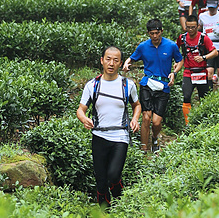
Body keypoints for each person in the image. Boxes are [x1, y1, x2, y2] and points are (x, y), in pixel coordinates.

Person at [77, 45, 140, 208]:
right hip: (99, 136)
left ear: (120, 63)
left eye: (116, 60)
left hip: (120, 137)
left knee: (113, 175)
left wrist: (135, 119)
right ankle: (105, 214)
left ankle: (119, 197)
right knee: (101, 179)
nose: (111, 63)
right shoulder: (92, 85)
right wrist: (84, 119)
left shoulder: (128, 85)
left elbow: (137, 105)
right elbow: (81, 110)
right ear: (102, 61)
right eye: (108, 59)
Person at [123, 18, 183, 154]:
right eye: (152, 34)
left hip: (163, 85)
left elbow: (180, 61)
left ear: (161, 31)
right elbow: (131, 58)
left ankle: (155, 138)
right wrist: (127, 63)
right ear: (148, 33)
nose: (155, 36)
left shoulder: (171, 45)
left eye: (157, 33)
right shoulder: (143, 46)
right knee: (146, 116)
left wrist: (174, 72)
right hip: (147, 83)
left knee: (156, 121)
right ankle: (144, 148)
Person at [176, 14, 217, 125]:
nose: (191, 30)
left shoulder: (203, 38)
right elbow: (176, 49)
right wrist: (176, 62)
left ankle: (204, 122)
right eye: (188, 27)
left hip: (202, 71)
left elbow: (215, 52)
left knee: (204, 98)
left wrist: (204, 57)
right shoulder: (182, 38)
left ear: (198, 26)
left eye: (193, 27)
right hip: (188, 71)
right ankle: (187, 123)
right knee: (186, 96)